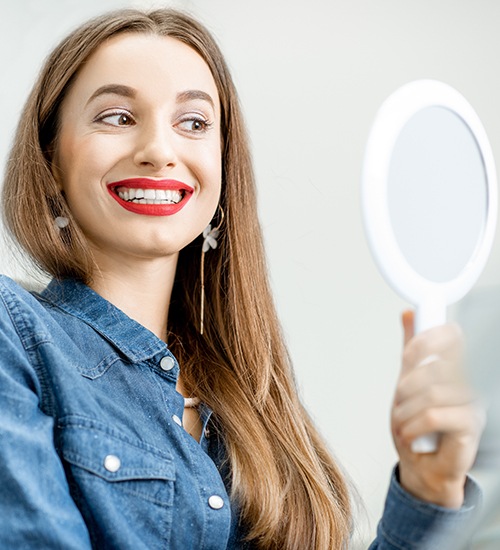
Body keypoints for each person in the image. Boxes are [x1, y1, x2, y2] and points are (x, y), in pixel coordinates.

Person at [0, 8, 484, 549]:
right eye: (116, 116)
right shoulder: (12, 332)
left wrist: (428, 491)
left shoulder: (253, 407)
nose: (160, 151)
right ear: (50, 159)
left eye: (194, 123)